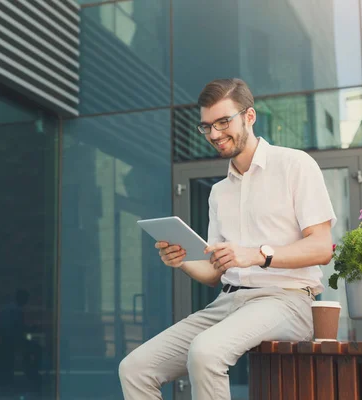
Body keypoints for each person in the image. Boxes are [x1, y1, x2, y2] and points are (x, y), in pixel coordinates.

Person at [118, 78, 336, 399]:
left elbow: (321, 247)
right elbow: (213, 273)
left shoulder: (295, 165)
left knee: (205, 352)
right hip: (228, 302)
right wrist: (182, 261)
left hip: (286, 300)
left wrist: (257, 254)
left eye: (223, 122)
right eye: (207, 127)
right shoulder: (219, 192)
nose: (215, 134)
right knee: (135, 368)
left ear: (249, 116)